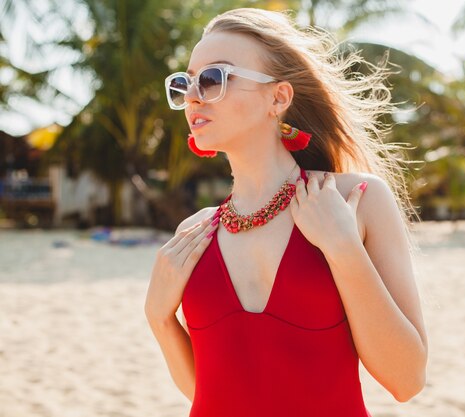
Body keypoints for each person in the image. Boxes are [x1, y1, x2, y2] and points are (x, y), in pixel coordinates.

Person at [144, 8, 428, 417]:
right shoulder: (193, 233)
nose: (192, 96)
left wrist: (344, 250)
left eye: (212, 79)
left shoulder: (357, 199)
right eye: (185, 82)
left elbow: (407, 380)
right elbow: (210, 395)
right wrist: (159, 318)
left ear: (278, 97)